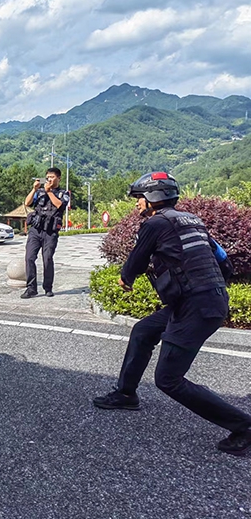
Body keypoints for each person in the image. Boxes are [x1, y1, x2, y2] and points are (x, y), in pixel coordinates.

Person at [93, 172, 251, 457]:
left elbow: (137, 259)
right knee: (143, 331)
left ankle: (244, 426)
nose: (138, 204)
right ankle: (126, 394)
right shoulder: (193, 221)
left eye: (140, 198)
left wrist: (125, 279)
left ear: (153, 198)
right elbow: (224, 261)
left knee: (168, 379)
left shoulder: (155, 223)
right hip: (203, 301)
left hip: (197, 308)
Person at [21, 167, 70, 299]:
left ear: (59, 178)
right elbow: (27, 203)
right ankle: (31, 288)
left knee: (47, 258)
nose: (49, 179)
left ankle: (48, 287)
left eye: (52, 177)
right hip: (36, 230)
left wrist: (49, 192)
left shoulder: (63, 193)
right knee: (29, 257)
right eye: (47, 177)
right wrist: (34, 189)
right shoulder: (40, 191)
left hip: (50, 232)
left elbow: (59, 205)